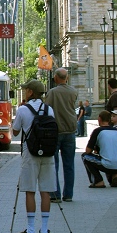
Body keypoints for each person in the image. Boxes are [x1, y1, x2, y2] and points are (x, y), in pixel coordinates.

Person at [12, 79, 56, 233]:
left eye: (26, 90)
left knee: (30, 191)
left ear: (30, 92)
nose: (24, 92)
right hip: (47, 153)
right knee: (45, 191)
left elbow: (15, 131)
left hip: (30, 153)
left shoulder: (23, 110)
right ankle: (44, 229)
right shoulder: (49, 109)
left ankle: (30, 229)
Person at [44, 68, 78, 202]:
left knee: (54, 164)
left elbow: (46, 108)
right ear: (67, 78)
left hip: (56, 131)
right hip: (70, 130)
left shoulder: (52, 92)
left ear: (56, 78)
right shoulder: (73, 91)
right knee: (69, 165)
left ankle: (55, 194)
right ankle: (68, 194)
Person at [82, 110, 117, 188]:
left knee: (85, 156)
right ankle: (115, 175)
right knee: (110, 157)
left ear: (99, 119)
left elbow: (88, 151)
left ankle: (98, 181)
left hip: (108, 165)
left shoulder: (97, 131)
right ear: (109, 119)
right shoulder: (116, 131)